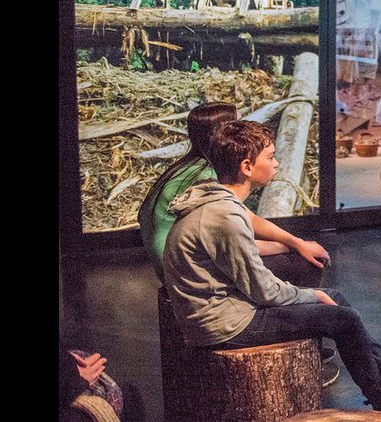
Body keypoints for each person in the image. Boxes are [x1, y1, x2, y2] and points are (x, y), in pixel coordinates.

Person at [162, 120, 381, 415]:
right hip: (225, 324)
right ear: (247, 167)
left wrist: (301, 261)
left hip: (228, 309)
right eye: (271, 157)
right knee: (344, 319)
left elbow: (250, 256)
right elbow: (263, 291)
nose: (276, 163)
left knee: (336, 298)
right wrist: (312, 296)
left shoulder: (217, 199)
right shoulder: (225, 217)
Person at [138, 102, 329, 287]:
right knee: (303, 264)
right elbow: (234, 245)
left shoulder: (193, 167)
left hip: (179, 262)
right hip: (184, 272)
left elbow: (248, 219)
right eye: (237, 125)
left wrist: (296, 243)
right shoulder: (205, 176)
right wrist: (292, 247)